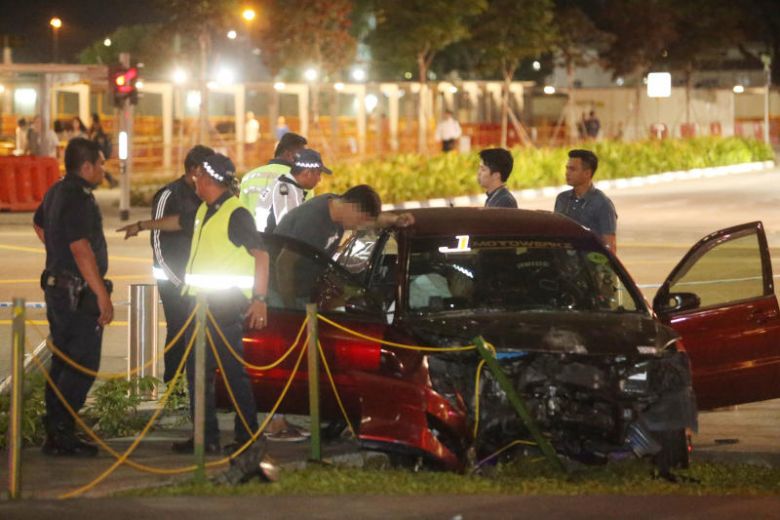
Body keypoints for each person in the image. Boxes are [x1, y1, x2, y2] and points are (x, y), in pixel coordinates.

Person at [173, 153, 269, 455]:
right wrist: (143, 224)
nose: (194, 180)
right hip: (199, 305)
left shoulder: (236, 213)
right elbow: (178, 222)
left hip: (224, 306)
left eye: (198, 176)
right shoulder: (204, 209)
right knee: (197, 373)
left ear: (210, 179)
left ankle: (248, 437)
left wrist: (260, 300)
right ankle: (205, 435)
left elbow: (261, 255)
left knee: (231, 373)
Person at [33, 138, 113, 457]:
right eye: (101, 163)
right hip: (77, 293)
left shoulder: (56, 190)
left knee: (62, 360)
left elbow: (39, 225)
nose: (104, 169)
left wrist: (57, 253)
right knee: (83, 363)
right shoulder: (79, 198)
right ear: (87, 166)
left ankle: (55, 430)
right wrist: (100, 296)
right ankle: (62, 431)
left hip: (57, 288)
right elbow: (81, 250)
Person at [116, 145, 214, 383]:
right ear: (193, 170)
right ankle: (174, 384)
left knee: (205, 333)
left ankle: (200, 385)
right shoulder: (169, 195)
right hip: (173, 280)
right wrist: (178, 280)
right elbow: (158, 242)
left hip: (203, 281)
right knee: (179, 329)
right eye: (207, 170)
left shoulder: (210, 196)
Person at [554, 149, 617, 253]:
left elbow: (610, 246)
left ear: (587, 173)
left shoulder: (602, 204)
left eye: (572, 169)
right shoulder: (562, 199)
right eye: (567, 168)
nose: (567, 173)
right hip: (564, 265)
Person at [239, 132, 307, 228]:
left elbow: (242, 215)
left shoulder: (248, 177)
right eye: (302, 156)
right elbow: (306, 218)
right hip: (285, 240)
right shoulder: (302, 179)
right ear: (288, 155)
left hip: (253, 239)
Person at [262, 148, 331, 233]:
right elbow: (287, 227)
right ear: (308, 173)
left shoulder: (289, 186)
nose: (319, 179)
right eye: (318, 174)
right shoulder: (285, 189)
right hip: (271, 243)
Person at [89, 114, 118, 188]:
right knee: (98, 168)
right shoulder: (93, 128)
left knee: (98, 168)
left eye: (91, 119)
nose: (89, 120)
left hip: (98, 152)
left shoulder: (97, 129)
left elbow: (99, 142)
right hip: (94, 152)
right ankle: (112, 181)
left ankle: (111, 181)